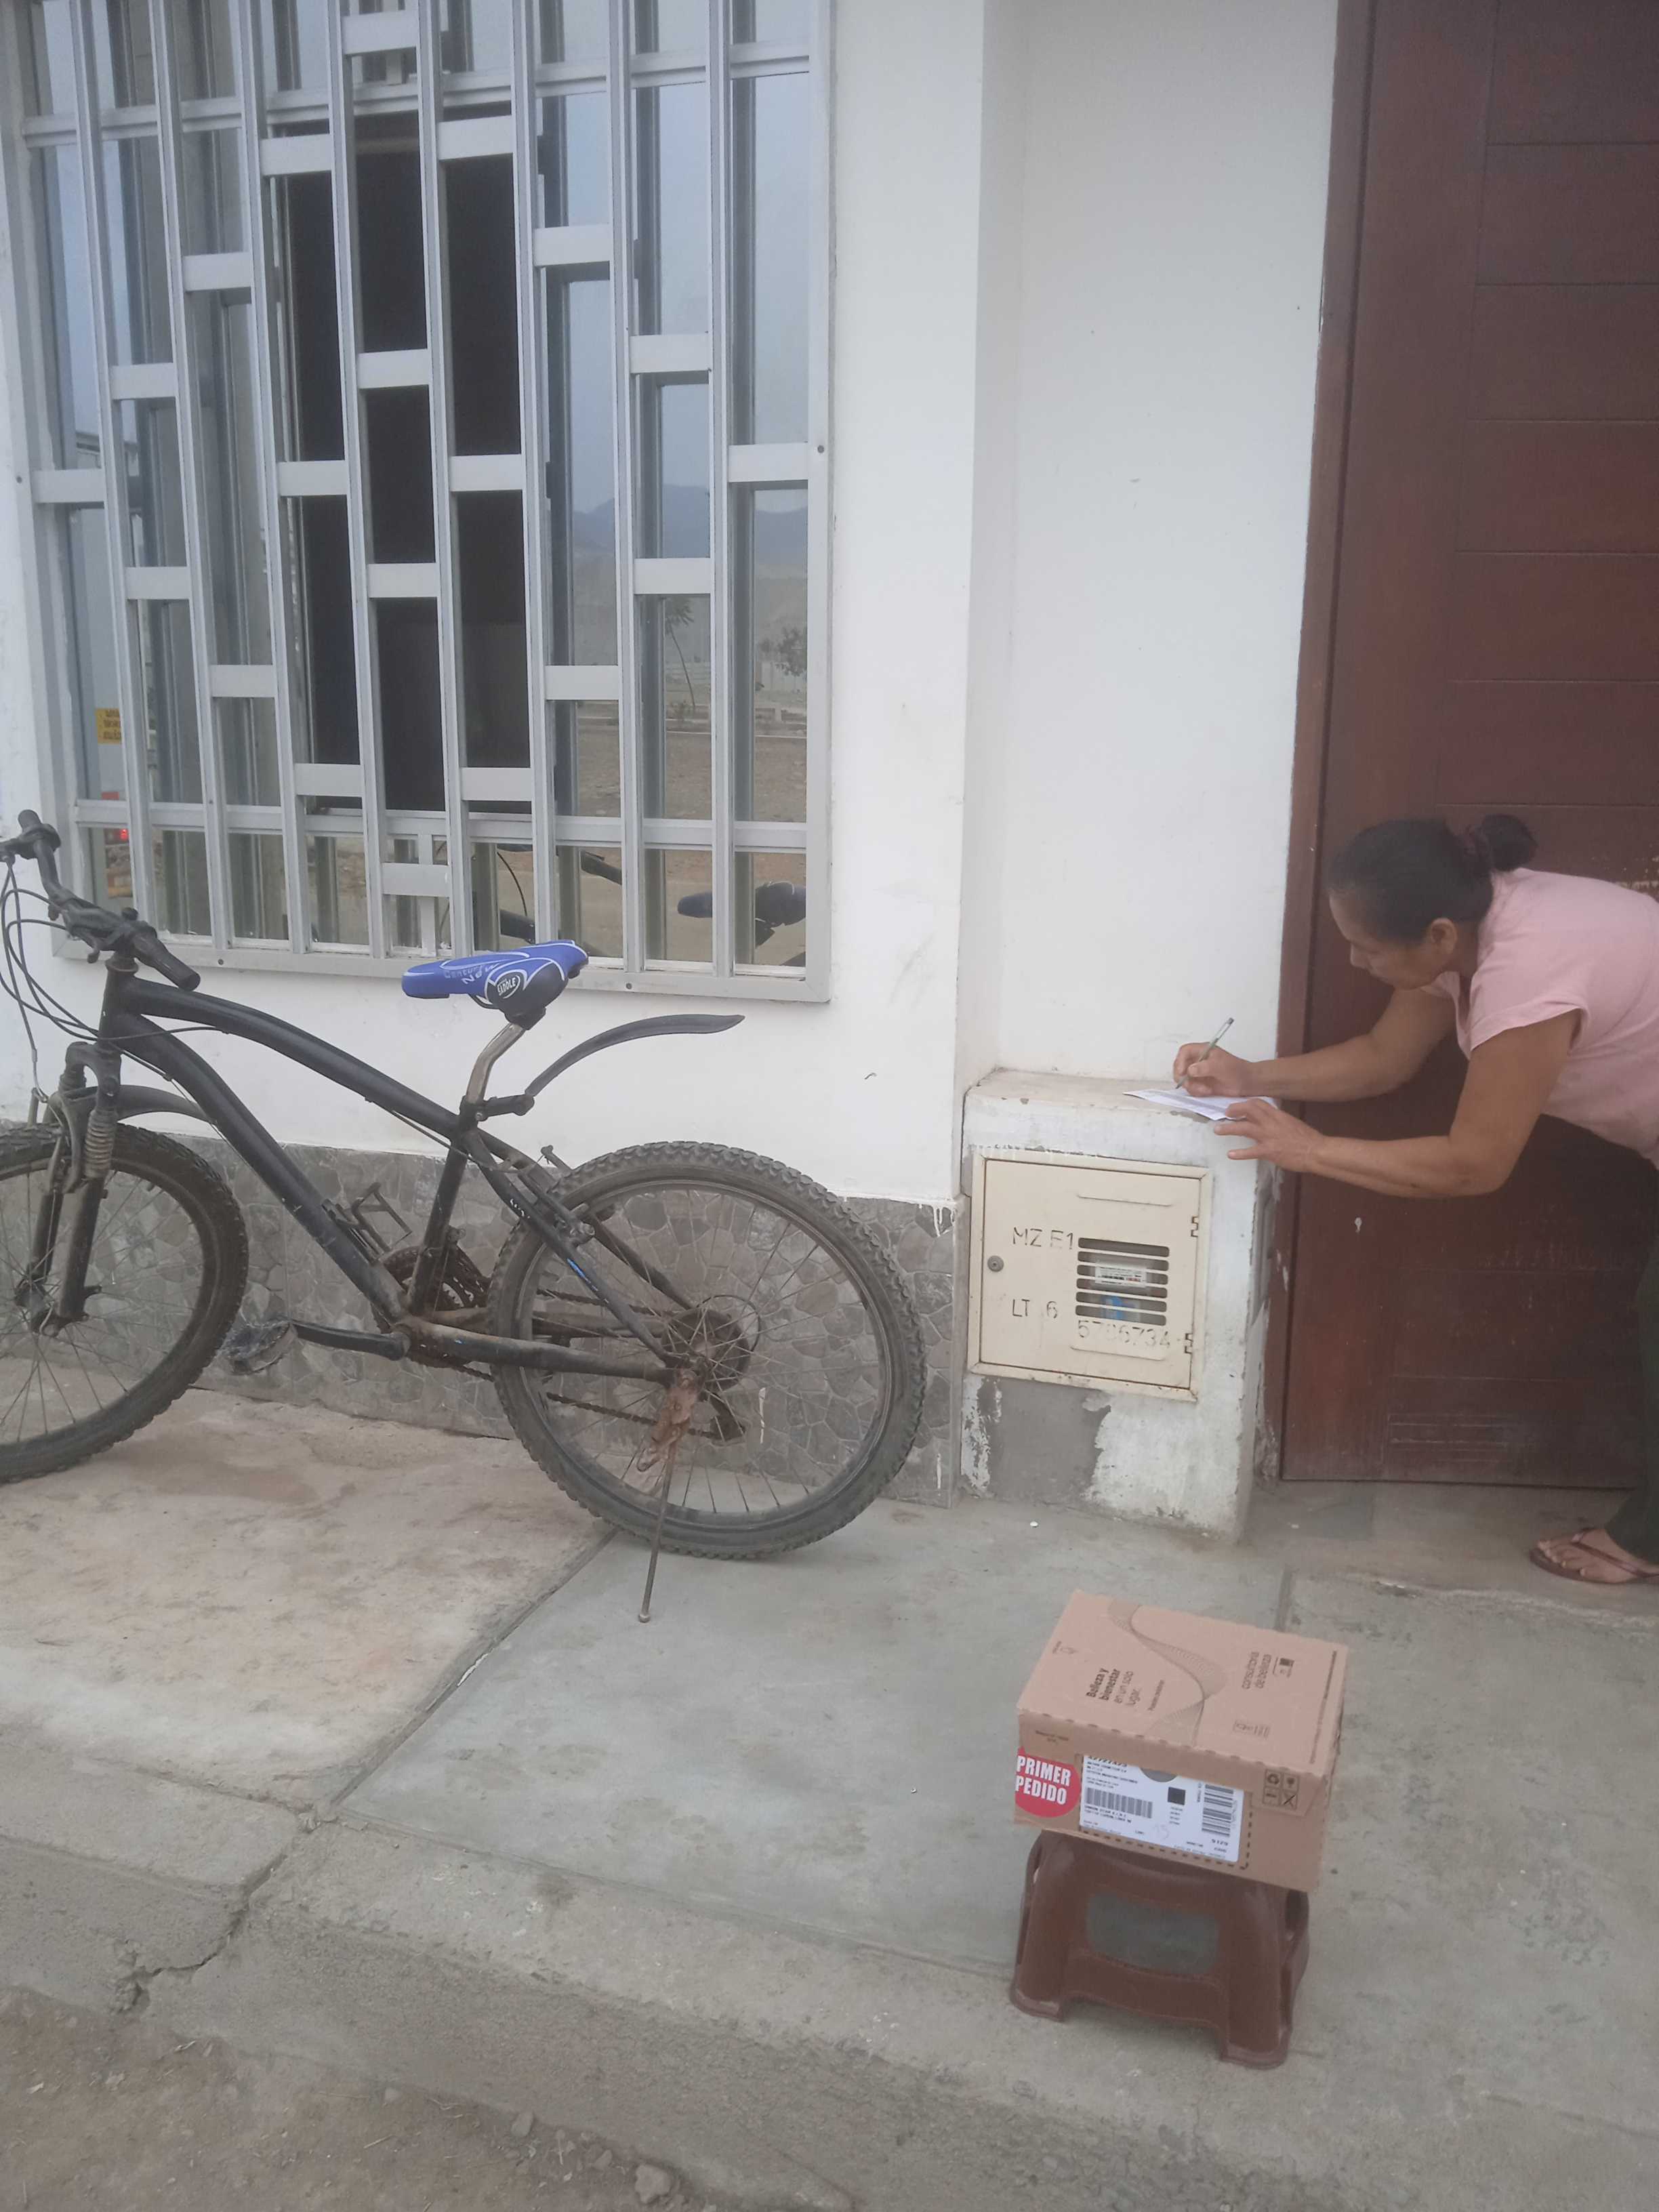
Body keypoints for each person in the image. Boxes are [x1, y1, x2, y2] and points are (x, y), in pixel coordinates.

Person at [1175, 813, 1659, 1588]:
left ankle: (1649, 1540)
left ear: (1435, 936)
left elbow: (1474, 1163)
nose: (1355, 961)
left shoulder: (1529, 972)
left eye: (1366, 947)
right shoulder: (1465, 926)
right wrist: (1252, 1076)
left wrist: (1311, 1150)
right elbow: (1385, 1057)